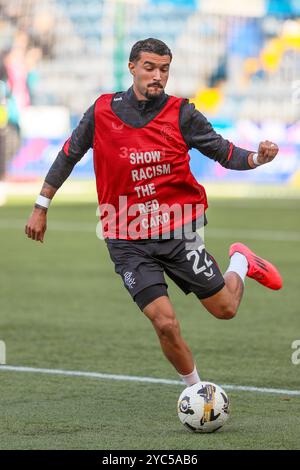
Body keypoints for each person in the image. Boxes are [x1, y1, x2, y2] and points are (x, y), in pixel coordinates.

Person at [25, 38, 282, 387]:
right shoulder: (101, 110)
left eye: (164, 69)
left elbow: (225, 152)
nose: (157, 76)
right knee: (164, 322)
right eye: (150, 68)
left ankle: (241, 261)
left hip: (179, 232)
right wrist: (42, 205)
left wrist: (257, 158)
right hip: (126, 237)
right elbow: (69, 154)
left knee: (225, 309)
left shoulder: (182, 114)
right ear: (132, 68)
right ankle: (197, 392)